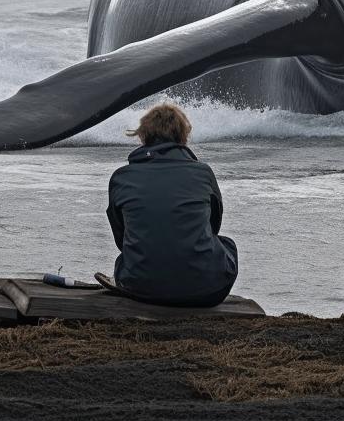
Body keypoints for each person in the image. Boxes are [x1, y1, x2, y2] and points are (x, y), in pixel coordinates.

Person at [97, 103, 239, 307]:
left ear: (143, 136)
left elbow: (122, 238)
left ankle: (148, 277)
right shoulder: (203, 173)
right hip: (206, 290)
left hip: (139, 285)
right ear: (184, 136)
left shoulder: (121, 177)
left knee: (130, 255)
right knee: (227, 245)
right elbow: (213, 226)